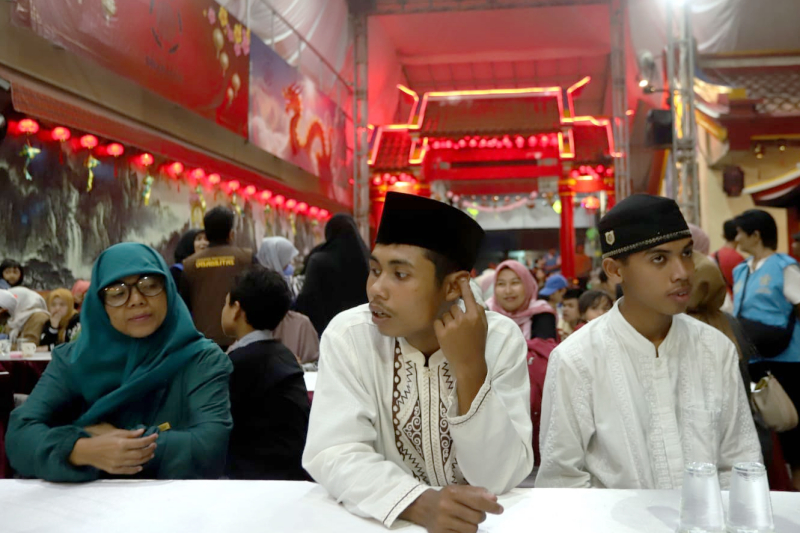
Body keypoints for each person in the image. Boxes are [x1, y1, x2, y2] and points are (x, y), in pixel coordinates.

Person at [303, 192, 533, 532]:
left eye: (399, 275)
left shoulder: (499, 339)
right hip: (382, 522)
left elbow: (500, 476)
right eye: (375, 270)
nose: (376, 290)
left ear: (454, 286)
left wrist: (470, 368)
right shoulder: (349, 336)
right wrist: (418, 503)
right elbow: (335, 451)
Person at [536, 194, 761, 489]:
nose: (682, 273)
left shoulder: (714, 349)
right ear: (615, 270)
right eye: (659, 258)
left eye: (686, 253)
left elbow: (740, 466)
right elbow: (562, 484)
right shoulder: (577, 359)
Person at [6, 243, 233, 481]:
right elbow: (19, 435)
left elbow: (208, 451)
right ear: (100, 305)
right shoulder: (73, 360)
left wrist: (104, 441)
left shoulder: (202, 360)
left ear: (168, 291)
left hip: (173, 508)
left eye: (150, 285)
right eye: (117, 291)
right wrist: (82, 450)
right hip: (80, 510)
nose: (136, 300)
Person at [733, 209, 800, 490]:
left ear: (756, 235)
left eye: (740, 232)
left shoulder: (785, 267)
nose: (736, 239)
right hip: (752, 359)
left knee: (793, 433)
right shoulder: (740, 269)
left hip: (786, 360)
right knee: (760, 432)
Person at [222, 266, 310, 480]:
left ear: (236, 310)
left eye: (225, 303)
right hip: (294, 474)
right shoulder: (284, 354)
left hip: (255, 478)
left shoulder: (235, 365)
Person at [487, 260, 557, 469]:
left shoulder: (542, 313)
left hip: (535, 403)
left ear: (527, 284)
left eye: (515, 282)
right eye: (501, 284)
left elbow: (545, 357)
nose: (508, 290)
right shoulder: (485, 313)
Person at [181, 206, 253, 349]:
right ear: (231, 233)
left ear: (206, 234)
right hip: (241, 339)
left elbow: (185, 304)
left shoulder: (189, 264)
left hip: (204, 341)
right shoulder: (246, 258)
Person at [294, 214, 370, 337]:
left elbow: (307, 299)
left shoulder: (318, 260)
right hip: (361, 330)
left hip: (326, 330)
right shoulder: (367, 259)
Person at [713, 219, 745, 295]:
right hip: (733, 300)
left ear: (723, 235)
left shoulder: (713, 256)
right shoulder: (739, 259)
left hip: (719, 299)